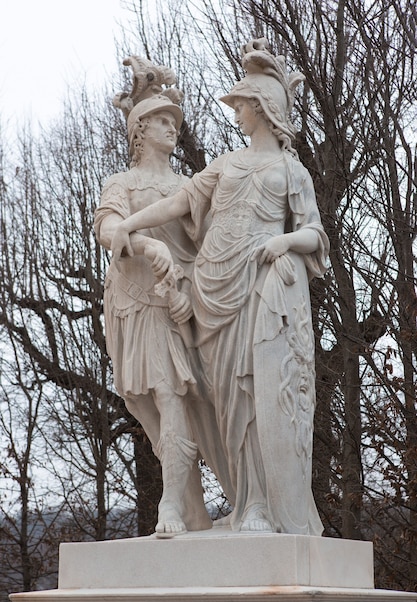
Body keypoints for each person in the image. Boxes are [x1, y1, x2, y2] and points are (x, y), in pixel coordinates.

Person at [111, 40, 330, 535]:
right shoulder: (227, 164)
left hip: (259, 288)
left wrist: (284, 241)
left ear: (262, 108)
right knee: (230, 402)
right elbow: (180, 204)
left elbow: (315, 233)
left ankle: (262, 508)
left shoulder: (290, 170)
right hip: (214, 294)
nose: (236, 112)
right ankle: (246, 501)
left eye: (242, 105)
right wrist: (131, 225)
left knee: (259, 395)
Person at [94, 92, 212, 536]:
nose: (172, 127)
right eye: (162, 119)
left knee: (170, 394)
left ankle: (171, 507)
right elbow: (109, 229)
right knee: (145, 406)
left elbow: (208, 244)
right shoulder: (121, 183)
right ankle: (194, 507)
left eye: (174, 120)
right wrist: (147, 243)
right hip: (129, 303)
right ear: (140, 130)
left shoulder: (189, 185)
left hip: (174, 304)